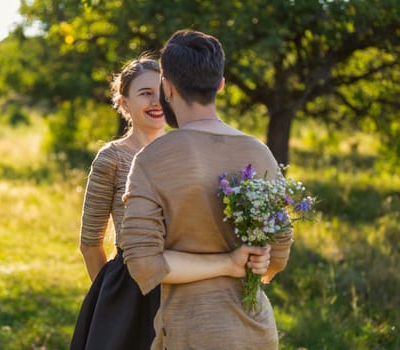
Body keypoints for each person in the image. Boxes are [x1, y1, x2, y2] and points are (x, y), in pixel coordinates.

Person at [120, 30, 293, 350]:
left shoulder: (152, 160)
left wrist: (226, 262)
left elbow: (143, 264)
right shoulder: (259, 153)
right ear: (220, 84)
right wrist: (247, 260)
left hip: (191, 332)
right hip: (256, 332)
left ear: (166, 87)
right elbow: (277, 254)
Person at [69, 55, 165, 350]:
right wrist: (112, 300)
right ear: (124, 103)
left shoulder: (184, 151)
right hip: (128, 289)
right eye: (145, 93)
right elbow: (90, 243)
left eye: (162, 92)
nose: (156, 101)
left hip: (183, 287)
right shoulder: (111, 158)